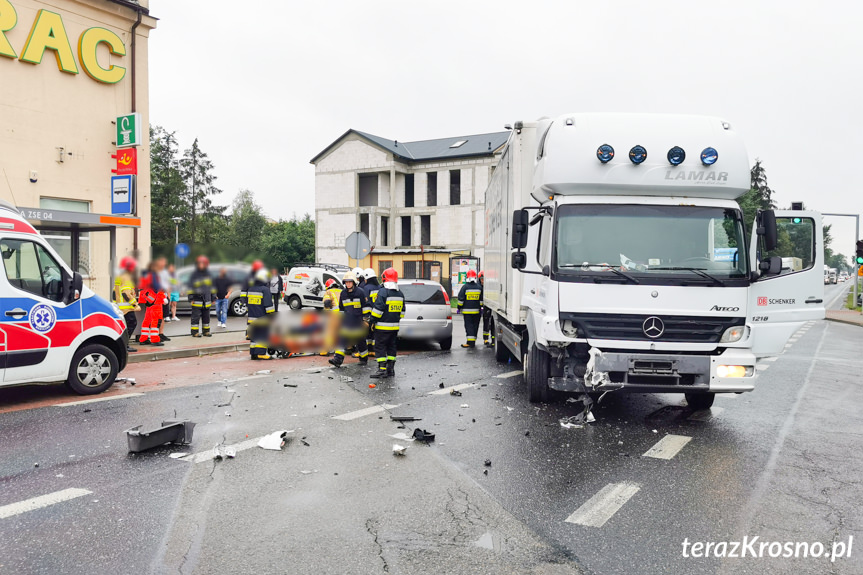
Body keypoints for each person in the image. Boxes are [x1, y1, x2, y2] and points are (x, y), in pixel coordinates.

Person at [328, 270, 370, 368]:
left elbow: (366, 307)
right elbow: (341, 309)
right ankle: (337, 360)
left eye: (350, 282)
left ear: (354, 282)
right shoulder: (343, 293)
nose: (348, 284)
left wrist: (366, 320)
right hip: (347, 321)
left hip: (359, 322)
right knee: (341, 340)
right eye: (346, 282)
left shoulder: (361, 292)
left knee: (361, 341)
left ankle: (363, 359)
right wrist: (340, 320)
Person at [369, 267, 404, 379]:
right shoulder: (400, 293)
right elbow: (402, 313)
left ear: (384, 278)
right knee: (391, 347)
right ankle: (390, 370)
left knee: (380, 347)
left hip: (382, 327)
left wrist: (372, 320)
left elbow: (378, 310)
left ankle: (381, 370)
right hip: (394, 328)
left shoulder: (383, 292)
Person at [246, 268, 275, 360]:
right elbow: (268, 306)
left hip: (251, 318)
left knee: (254, 336)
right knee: (262, 335)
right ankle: (261, 353)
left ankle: (253, 353)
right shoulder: (265, 290)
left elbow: (248, 304)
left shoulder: (250, 289)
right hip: (262, 318)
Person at [114, 256, 140, 353]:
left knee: (123, 326)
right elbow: (126, 293)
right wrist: (135, 305)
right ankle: (125, 345)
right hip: (127, 308)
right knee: (132, 323)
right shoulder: (127, 278)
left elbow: (116, 293)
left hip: (120, 307)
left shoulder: (120, 276)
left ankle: (122, 345)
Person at [137, 262, 166, 346]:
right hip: (156, 301)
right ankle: (155, 339)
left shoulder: (145, 275)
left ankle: (143, 339)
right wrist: (163, 298)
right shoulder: (154, 276)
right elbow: (157, 288)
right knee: (155, 321)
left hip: (148, 301)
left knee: (147, 320)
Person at [189, 255, 215, 337]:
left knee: (206, 317)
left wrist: (213, 297)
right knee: (195, 317)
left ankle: (206, 331)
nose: (201, 265)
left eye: (203, 264)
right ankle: (194, 332)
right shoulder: (194, 275)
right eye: (199, 263)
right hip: (197, 299)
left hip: (206, 299)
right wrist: (191, 298)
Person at [457, 269, 483, 348]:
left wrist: (459, 308)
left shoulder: (464, 287)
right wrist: (481, 308)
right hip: (477, 312)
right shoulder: (479, 287)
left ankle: (470, 343)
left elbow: (460, 299)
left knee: (469, 326)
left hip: (467, 312)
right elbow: (481, 300)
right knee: (475, 326)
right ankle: (472, 341)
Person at [320, 278, 342, 356]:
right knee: (341, 332)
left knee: (330, 332)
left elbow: (327, 303)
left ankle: (325, 350)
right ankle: (347, 348)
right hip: (344, 314)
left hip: (335, 315)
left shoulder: (328, 292)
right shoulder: (341, 291)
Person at [363, 268, 380, 356]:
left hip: (369, 314)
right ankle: (374, 350)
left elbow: (367, 302)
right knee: (375, 333)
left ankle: (367, 350)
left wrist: (366, 316)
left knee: (367, 333)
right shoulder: (379, 287)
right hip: (378, 313)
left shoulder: (366, 288)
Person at [155, 257, 171, 341]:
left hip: (164, 297)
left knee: (163, 316)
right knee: (157, 317)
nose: (164, 264)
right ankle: (155, 334)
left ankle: (161, 333)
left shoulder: (165, 272)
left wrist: (169, 296)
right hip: (157, 298)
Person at [479, 271, 493, 345]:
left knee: (492, 324)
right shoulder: (479, 287)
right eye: (481, 279)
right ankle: (485, 339)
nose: (483, 281)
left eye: (484, 279)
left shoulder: (491, 287)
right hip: (484, 308)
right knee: (486, 323)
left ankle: (493, 339)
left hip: (491, 307)